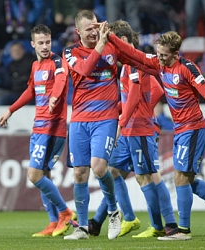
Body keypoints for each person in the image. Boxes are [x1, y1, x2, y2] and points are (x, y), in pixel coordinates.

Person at [105, 26, 205, 240]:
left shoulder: (188, 69)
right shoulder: (158, 64)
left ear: (176, 54)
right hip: (181, 130)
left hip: (194, 129)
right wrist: (111, 38)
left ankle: (183, 231)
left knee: (180, 178)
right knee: (188, 180)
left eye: (164, 55)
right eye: (158, 53)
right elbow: (135, 54)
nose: (159, 58)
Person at [82, 20, 179, 239]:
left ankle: (165, 224)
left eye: (111, 42)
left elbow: (152, 90)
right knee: (112, 171)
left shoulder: (135, 61)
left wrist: (134, 113)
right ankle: (114, 219)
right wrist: (120, 108)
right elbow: (137, 95)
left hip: (138, 127)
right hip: (130, 128)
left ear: (122, 41)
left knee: (150, 176)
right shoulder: (126, 63)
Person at [61, 10, 138, 240]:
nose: (94, 32)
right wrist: (102, 43)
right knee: (79, 174)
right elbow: (84, 69)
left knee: (99, 167)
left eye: (96, 27)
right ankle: (83, 227)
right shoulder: (70, 52)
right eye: (88, 29)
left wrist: (111, 39)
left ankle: (113, 211)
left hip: (105, 118)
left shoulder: (111, 45)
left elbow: (134, 57)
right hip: (79, 120)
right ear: (78, 32)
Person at [0, 24, 75, 237]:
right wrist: (11, 110)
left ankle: (65, 213)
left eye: (47, 42)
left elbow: (61, 79)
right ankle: (53, 223)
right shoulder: (35, 66)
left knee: (34, 174)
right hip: (38, 125)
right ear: (32, 44)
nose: (44, 46)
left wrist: (55, 97)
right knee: (43, 174)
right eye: (40, 43)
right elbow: (31, 90)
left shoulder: (57, 61)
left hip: (52, 126)